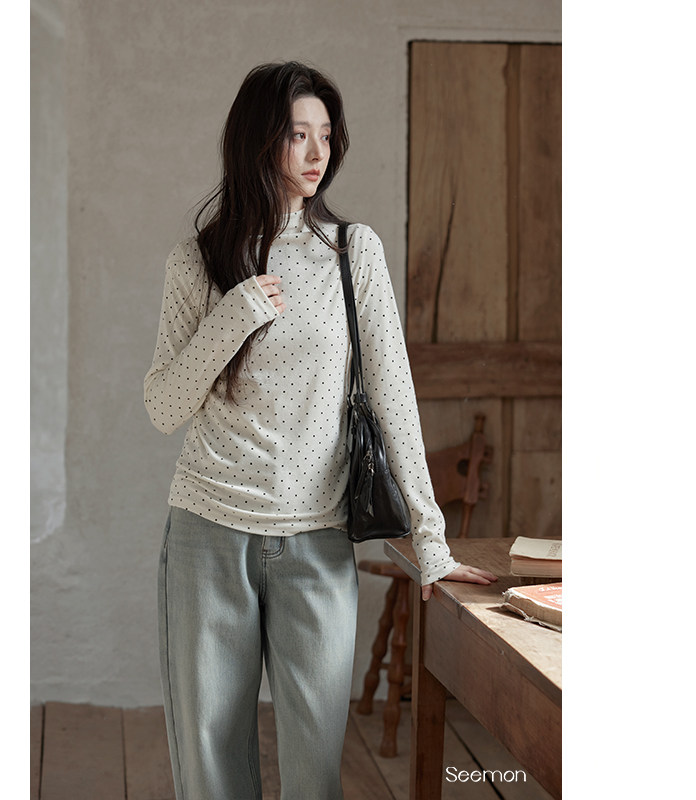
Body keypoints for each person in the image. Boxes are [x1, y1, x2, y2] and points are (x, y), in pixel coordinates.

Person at [143, 61, 497, 800]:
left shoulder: (350, 253)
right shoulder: (197, 262)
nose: (316, 152)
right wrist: (234, 315)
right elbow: (164, 406)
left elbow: (394, 395)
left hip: (317, 541)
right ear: (257, 141)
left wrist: (431, 544)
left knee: (314, 777)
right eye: (297, 134)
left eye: (326, 136)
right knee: (209, 775)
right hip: (207, 535)